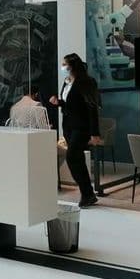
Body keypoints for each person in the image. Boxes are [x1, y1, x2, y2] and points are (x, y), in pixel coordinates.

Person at [49, 53, 101, 207]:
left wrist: (95, 132)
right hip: (69, 127)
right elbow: (68, 103)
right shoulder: (67, 81)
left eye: (64, 64)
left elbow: (92, 107)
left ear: (72, 65)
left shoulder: (87, 82)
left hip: (82, 127)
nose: (63, 67)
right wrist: (58, 103)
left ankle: (87, 193)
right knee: (76, 159)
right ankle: (88, 194)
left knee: (72, 157)